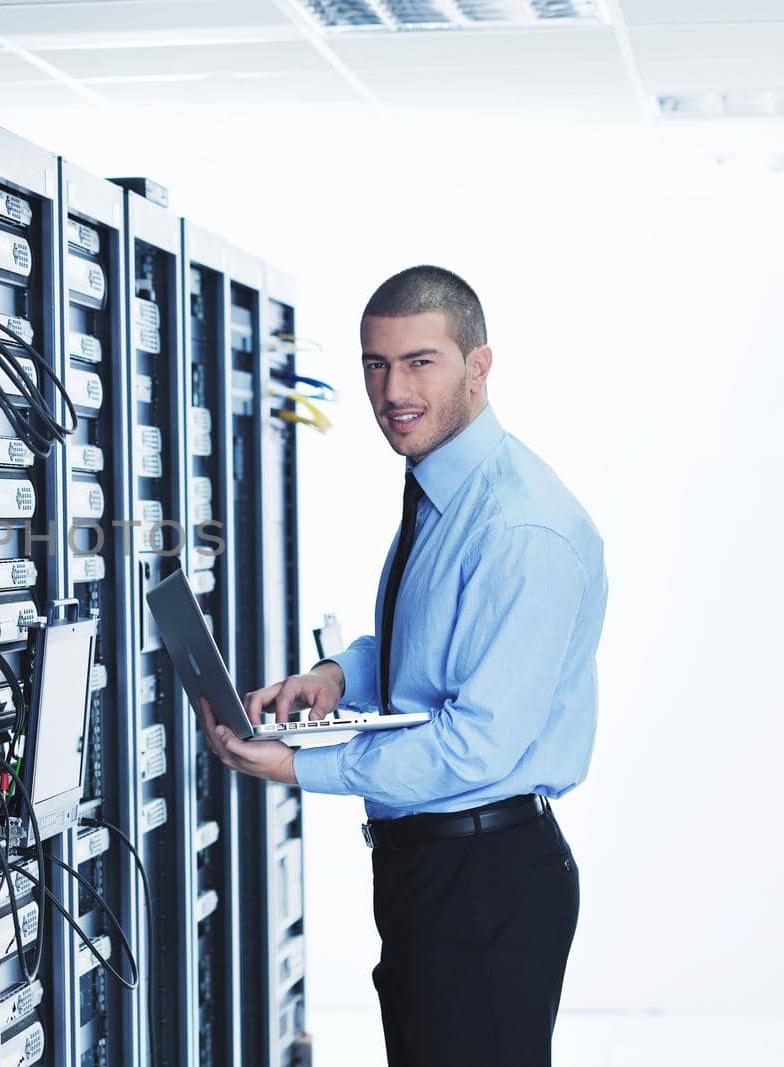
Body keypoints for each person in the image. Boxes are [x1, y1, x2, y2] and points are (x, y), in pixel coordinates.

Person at [196, 265, 608, 1067]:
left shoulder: (520, 527)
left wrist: (298, 765)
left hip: (485, 878)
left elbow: (474, 745)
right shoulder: (446, 490)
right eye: (376, 365)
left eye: (421, 361)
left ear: (478, 366)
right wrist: (337, 676)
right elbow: (426, 648)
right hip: (438, 868)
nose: (393, 390)